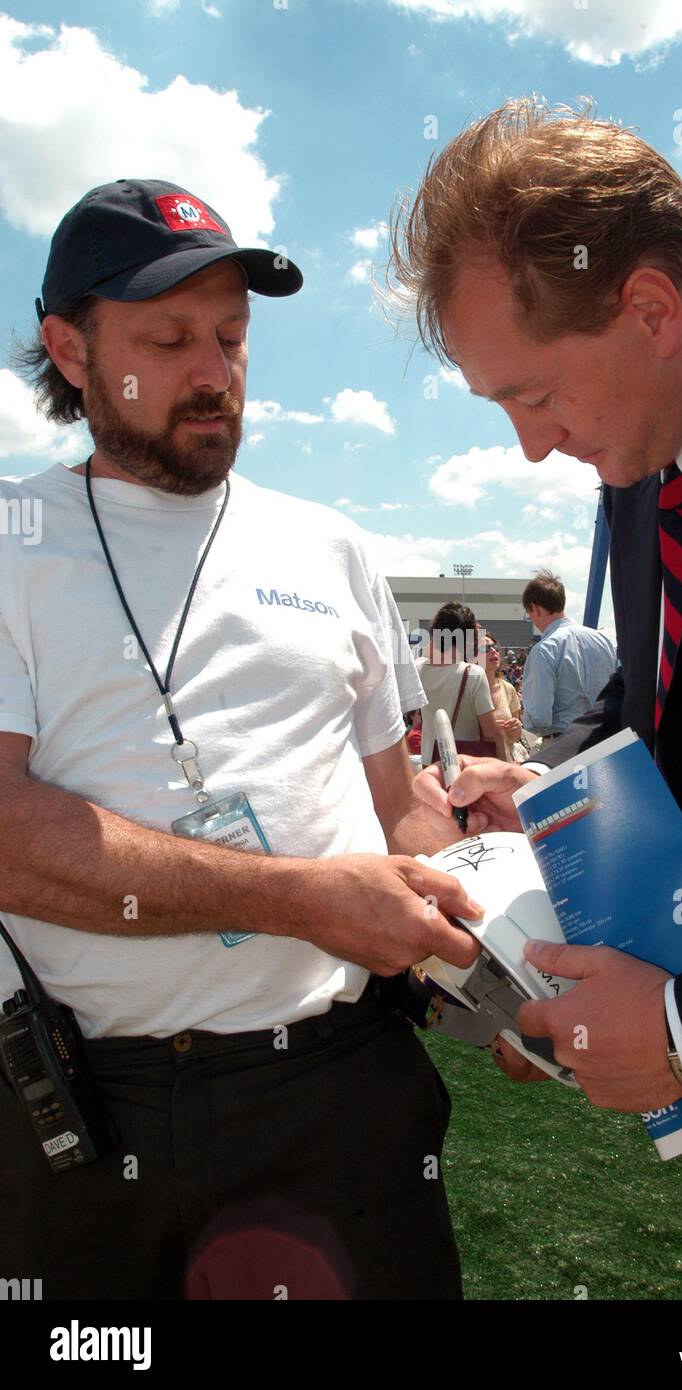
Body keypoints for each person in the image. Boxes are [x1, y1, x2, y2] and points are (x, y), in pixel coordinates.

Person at [391, 97, 682, 1298]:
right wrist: (544, 780)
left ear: (651, 309)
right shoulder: (639, 473)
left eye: (534, 395)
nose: (529, 448)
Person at [0, 178, 484, 1301]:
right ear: (70, 352)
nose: (213, 370)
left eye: (230, 336)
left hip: (336, 1088)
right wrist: (299, 896)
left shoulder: (333, 546)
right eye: (167, 339)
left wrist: (500, 964)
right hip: (89, 1107)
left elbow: (398, 801)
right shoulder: (14, 538)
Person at [520, 570, 617, 744]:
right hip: (608, 739)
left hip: (565, 744)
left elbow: (540, 718)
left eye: (529, 614)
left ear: (534, 608)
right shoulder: (605, 641)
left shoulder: (544, 650)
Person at [415, 602, 505, 765]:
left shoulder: (419, 669)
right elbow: (492, 733)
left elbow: (430, 650)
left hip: (430, 762)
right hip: (466, 763)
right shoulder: (473, 674)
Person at [479, 630, 527, 762]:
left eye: (495, 647)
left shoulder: (508, 688)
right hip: (478, 764)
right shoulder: (467, 690)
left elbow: (515, 738)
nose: (493, 651)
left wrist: (515, 729)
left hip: (506, 764)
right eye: (486, 648)